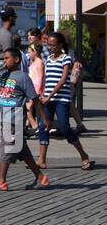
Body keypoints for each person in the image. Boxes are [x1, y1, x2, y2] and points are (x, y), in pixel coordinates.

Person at [0, 49, 49, 191]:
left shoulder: (23, 77)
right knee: (22, 151)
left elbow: (35, 99)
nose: (4, 61)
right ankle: (41, 177)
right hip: (6, 118)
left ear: (17, 60)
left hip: (15, 119)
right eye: (3, 58)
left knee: (6, 149)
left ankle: (1, 181)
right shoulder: (3, 75)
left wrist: (44, 118)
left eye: (7, 58)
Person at [37, 32, 91, 171]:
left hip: (62, 98)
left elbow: (62, 80)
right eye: (48, 44)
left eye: (53, 45)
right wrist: (43, 94)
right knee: (44, 126)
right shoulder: (48, 59)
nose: (50, 47)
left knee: (65, 128)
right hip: (48, 97)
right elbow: (46, 79)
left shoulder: (66, 59)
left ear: (60, 45)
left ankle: (83, 155)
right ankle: (41, 159)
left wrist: (50, 96)